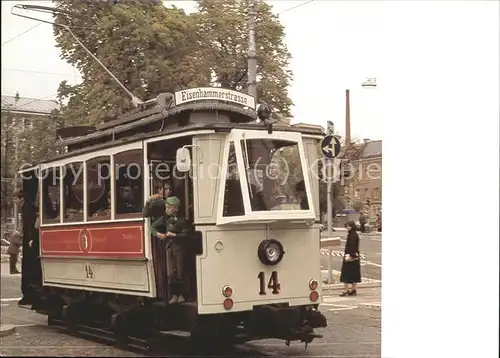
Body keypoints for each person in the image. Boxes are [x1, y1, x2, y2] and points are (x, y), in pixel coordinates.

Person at [150, 196, 188, 304]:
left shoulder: (182, 221)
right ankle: (174, 295)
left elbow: (187, 235)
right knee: (170, 273)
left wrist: (175, 235)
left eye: (169, 207)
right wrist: (158, 234)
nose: (167, 209)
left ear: (176, 209)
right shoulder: (165, 219)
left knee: (180, 272)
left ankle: (182, 295)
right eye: (166, 207)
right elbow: (151, 227)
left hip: (178, 247)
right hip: (169, 247)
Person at [13, 190, 40, 306]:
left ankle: (30, 294)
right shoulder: (26, 207)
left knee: (30, 264)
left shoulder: (27, 208)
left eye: (15, 199)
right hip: (29, 238)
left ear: (21, 198)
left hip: (31, 240)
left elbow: (30, 224)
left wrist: (31, 238)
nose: (14, 201)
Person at [339, 221, 361, 297]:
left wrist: (350, 256)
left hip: (350, 257)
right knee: (354, 273)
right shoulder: (355, 234)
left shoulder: (351, 235)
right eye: (347, 226)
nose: (347, 228)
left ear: (352, 226)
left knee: (346, 273)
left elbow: (351, 246)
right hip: (355, 257)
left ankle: (346, 289)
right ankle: (354, 289)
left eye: (349, 226)